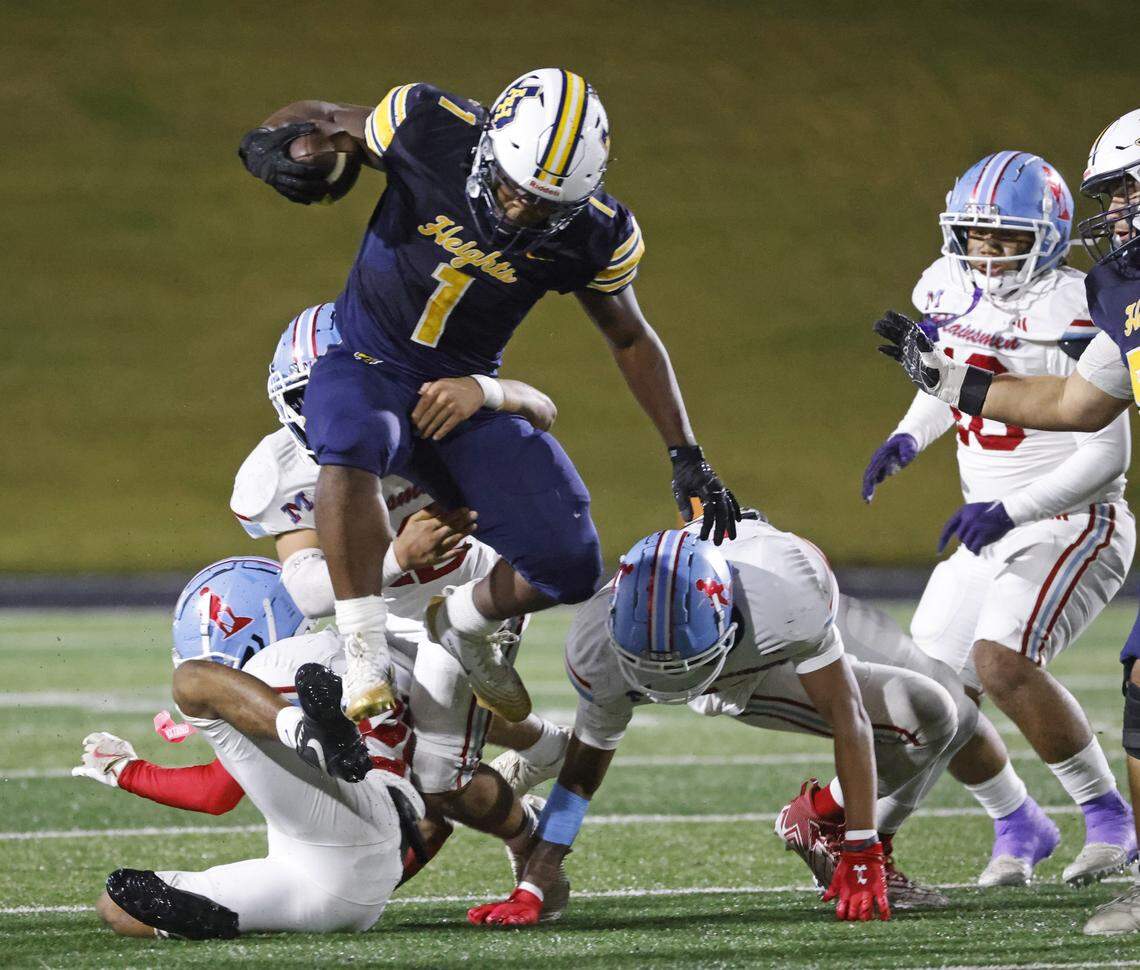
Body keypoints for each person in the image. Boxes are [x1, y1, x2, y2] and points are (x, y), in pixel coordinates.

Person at [237, 68, 740, 724]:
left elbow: (631, 339)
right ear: (489, 148)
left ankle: (464, 623)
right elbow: (326, 116)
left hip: (462, 394)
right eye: (513, 189)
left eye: (543, 206)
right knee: (351, 431)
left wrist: (686, 453)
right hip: (368, 358)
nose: (518, 212)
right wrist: (269, 140)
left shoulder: (596, 232)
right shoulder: (428, 126)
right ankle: (363, 651)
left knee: (571, 560)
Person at [872, 109, 1140, 934]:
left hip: (1071, 515)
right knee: (926, 691)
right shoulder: (947, 285)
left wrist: (1012, 506)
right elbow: (959, 380)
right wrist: (908, 434)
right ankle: (1011, 820)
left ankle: (1110, 822)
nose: (985, 254)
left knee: (1000, 662)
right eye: (975, 236)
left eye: (1004, 237)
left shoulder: (1080, 300)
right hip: (989, 520)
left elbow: (1100, 440)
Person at [469, 516, 979, 926]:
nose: (668, 684)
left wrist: (862, 849)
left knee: (931, 714)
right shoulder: (595, 644)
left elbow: (849, 716)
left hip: (749, 662)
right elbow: (582, 777)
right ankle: (541, 747)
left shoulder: (789, 600)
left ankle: (822, 817)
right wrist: (532, 887)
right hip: (713, 652)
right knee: (586, 744)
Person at [79, 559, 574, 934]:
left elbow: (214, 792)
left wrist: (126, 770)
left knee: (192, 682)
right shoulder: (369, 654)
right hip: (358, 859)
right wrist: (546, 748)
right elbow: (475, 727)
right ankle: (521, 827)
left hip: (359, 841)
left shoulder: (263, 675)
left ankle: (306, 735)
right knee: (443, 775)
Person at [240, 302, 570, 795]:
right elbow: (309, 593)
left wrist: (484, 390)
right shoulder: (282, 469)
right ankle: (548, 749)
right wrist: (398, 556)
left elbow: (541, 409)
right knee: (398, 730)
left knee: (435, 776)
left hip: (473, 590)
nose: (333, 414)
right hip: (378, 617)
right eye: (311, 397)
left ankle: (526, 808)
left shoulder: (431, 406)